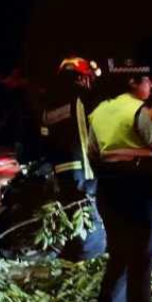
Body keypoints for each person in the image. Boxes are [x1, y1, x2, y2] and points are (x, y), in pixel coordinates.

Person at [87, 60, 152, 302]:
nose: (151, 86)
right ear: (133, 82)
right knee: (142, 259)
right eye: (147, 81)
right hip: (140, 187)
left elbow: (94, 153)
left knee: (119, 256)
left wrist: (116, 156)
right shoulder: (142, 112)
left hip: (109, 189)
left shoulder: (98, 111)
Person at [39, 57, 106, 262]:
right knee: (90, 223)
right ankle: (88, 263)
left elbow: (45, 140)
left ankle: (72, 259)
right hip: (86, 172)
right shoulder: (84, 98)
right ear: (80, 78)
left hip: (64, 174)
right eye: (88, 78)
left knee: (75, 222)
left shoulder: (49, 104)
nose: (90, 82)